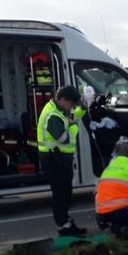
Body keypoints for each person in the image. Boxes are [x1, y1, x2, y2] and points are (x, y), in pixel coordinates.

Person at [37, 85, 88, 236]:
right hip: (55, 160)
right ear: (62, 99)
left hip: (58, 158)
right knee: (61, 194)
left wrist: (84, 107)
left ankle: (66, 222)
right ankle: (64, 226)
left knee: (65, 192)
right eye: (72, 103)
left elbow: (70, 118)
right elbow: (64, 138)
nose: (72, 107)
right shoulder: (53, 115)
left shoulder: (59, 109)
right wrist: (74, 126)